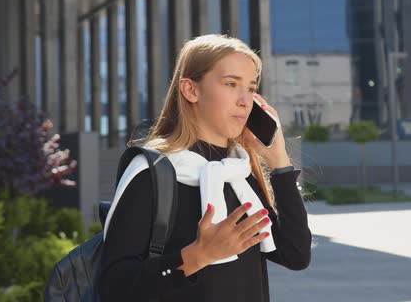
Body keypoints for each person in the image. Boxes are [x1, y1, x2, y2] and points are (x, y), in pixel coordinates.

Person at [100, 34, 312, 302]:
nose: (245, 101)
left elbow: (296, 254)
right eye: (231, 84)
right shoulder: (151, 172)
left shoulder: (238, 173)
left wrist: (278, 161)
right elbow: (113, 287)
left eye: (250, 88)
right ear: (191, 90)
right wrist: (198, 256)